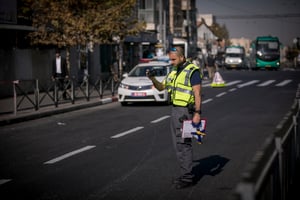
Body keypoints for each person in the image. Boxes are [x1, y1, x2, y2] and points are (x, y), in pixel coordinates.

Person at [147, 46, 202, 189]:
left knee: (184, 144)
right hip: (175, 110)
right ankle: (185, 174)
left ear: (182, 57)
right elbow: (161, 87)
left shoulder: (192, 71)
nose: (171, 62)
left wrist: (197, 113)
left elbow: (197, 93)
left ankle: (187, 178)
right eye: (170, 59)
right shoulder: (173, 71)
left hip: (185, 112)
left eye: (173, 59)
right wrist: (152, 78)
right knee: (178, 145)